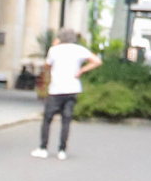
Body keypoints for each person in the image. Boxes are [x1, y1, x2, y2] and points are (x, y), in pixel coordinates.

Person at [32, 28, 101, 159]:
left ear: (60, 38)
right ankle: (62, 150)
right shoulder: (79, 49)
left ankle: (43, 148)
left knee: (47, 119)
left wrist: (53, 47)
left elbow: (47, 65)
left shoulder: (54, 50)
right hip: (73, 88)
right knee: (66, 120)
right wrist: (81, 70)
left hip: (56, 89)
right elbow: (97, 61)